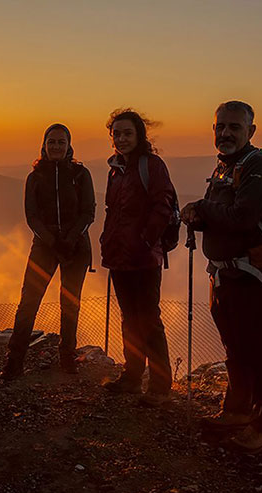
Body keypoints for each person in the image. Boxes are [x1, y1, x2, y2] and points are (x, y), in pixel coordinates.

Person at [180, 101, 262, 453]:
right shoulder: (225, 166)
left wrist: (202, 208)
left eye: (234, 127)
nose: (225, 133)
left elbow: (243, 217)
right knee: (236, 349)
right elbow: (226, 215)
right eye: (220, 126)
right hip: (225, 276)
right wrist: (198, 214)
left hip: (251, 277)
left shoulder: (260, 165)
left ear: (251, 131)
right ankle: (238, 411)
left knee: (258, 351)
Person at [0, 124, 94, 380]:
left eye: (60, 142)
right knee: (29, 302)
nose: (56, 146)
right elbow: (31, 216)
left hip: (75, 247)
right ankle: (14, 361)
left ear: (68, 145)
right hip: (47, 245)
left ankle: (66, 356)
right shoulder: (36, 176)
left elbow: (89, 212)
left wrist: (70, 238)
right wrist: (54, 241)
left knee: (69, 304)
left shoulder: (80, 174)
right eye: (52, 142)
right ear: (44, 144)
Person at [99, 109, 175, 406]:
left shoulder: (151, 166)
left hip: (143, 257)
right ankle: (132, 378)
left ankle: (159, 386)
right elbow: (112, 211)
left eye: (127, 133)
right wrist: (108, 241)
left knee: (148, 321)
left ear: (139, 135)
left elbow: (163, 205)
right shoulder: (116, 170)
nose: (121, 138)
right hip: (120, 256)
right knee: (130, 320)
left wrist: (145, 241)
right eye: (116, 134)